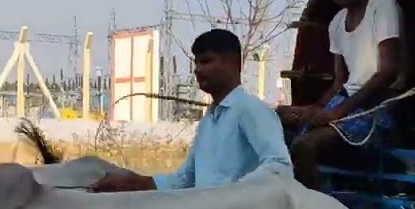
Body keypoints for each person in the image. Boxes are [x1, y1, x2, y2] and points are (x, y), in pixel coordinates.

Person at [91, 28, 293, 192]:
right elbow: (185, 179)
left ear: (233, 64)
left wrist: (232, 195)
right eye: (196, 63)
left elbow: (279, 167)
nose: (197, 69)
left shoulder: (251, 110)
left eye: (206, 61)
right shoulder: (209, 119)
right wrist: (137, 183)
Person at [278, 0, 405, 189]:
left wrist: (337, 112)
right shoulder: (336, 22)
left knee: (304, 146)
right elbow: (340, 82)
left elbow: (388, 70)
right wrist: (312, 109)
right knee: (275, 121)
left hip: (376, 107)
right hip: (347, 102)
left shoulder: (382, 4)